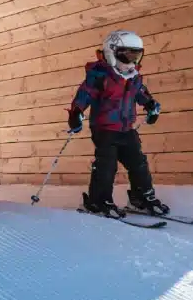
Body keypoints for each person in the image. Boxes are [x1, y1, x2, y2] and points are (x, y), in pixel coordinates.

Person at [67, 29, 169, 218]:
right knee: (107, 165)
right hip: (104, 129)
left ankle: (141, 197)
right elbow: (85, 94)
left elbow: (142, 94)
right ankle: (98, 201)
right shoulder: (99, 75)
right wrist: (76, 112)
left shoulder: (134, 77)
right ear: (110, 53)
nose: (130, 62)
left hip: (126, 129)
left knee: (138, 163)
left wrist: (151, 105)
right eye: (125, 56)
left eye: (135, 57)